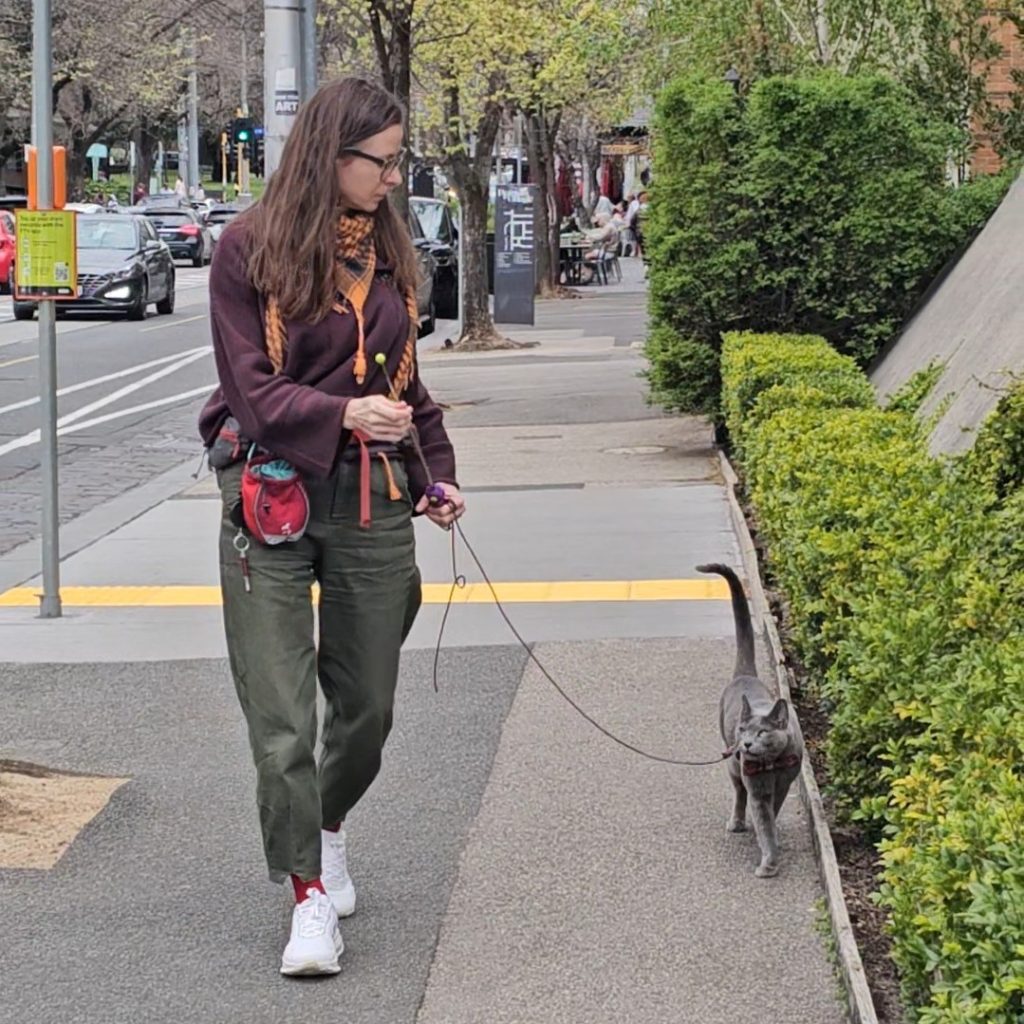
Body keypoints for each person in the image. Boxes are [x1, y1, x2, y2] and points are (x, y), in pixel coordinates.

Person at [197, 77, 465, 977]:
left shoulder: (389, 250)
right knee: (279, 715)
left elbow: (405, 385)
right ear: (331, 155)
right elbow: (250, 390)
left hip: (373, 494)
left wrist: (439, 476)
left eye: (398, 162)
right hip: (270, 491)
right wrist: (345, 416)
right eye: (382, 163)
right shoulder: (247, 250)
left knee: (368, 710)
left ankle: (329, 825)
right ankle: (308, 896)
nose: (394, 178)